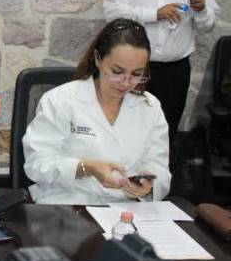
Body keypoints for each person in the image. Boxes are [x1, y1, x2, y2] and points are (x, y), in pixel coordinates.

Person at [22, 19, 171, 205]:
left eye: (136, 74)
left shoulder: (150, 106)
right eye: (117, 71)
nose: (125, 83)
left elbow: (158, 165)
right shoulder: (61, 100)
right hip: (68, 202)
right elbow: (37, 164)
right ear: (98, 59)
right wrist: (86, 168)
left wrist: (149, 183)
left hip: (127, 206)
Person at [103, 0, 218, 147]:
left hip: (175, 71)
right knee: (125, 125)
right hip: (131, 70)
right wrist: (155, 14)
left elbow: (208, 26)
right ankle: (124, 167)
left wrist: (202, 10)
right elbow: (112, 13)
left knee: (167, 128)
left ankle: (163, 169)